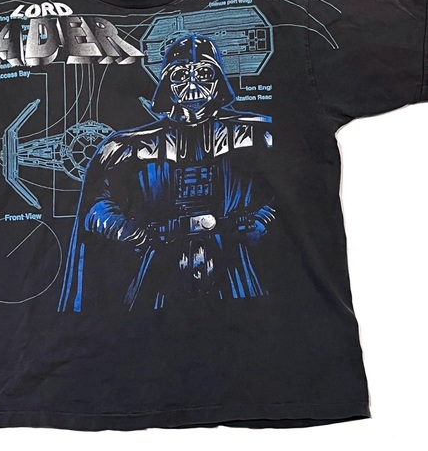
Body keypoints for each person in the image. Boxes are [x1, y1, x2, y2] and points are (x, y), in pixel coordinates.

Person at [58, 33, 276, 313]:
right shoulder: (127, 147)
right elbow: (96, 205)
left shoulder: (257, 134)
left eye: (204, 74)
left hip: (234, 264)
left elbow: (294, 190)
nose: (193, 86)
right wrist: (132, 232)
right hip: (160, 265)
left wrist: (261, 220)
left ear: (218, 80)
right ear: (166, 84)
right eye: (180, 76)